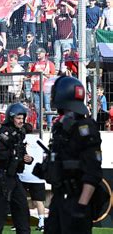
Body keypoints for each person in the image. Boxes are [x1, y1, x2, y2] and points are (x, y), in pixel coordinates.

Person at [35, 76, 103, 234]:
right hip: (59, 199)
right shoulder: (61, 128)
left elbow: (92, 173)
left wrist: (81, 207)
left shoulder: (86, 129)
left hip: (76, 200)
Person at [0, 103, 33, 234]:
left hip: (14, 177)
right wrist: (13, 154)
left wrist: (27, 158)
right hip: (4, 176)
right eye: (18, 118)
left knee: (22, 210)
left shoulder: (20, 133)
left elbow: (22, 151)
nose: (21, 121)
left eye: (22, 118)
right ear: (11, 118)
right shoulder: (4, 132)